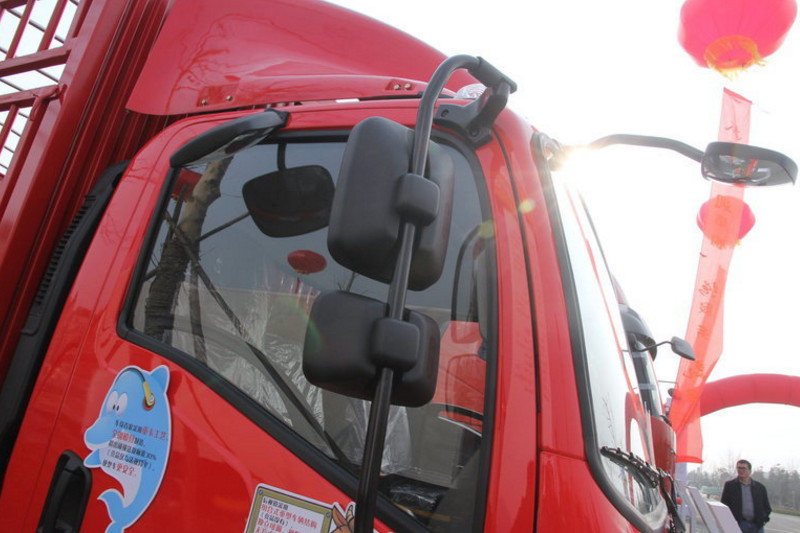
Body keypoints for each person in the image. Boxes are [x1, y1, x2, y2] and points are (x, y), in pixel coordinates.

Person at [720, 459, 772, 533]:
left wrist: (762, 520)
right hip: (737, 524)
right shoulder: (730, 486)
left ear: (750, 470)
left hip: (756, 526)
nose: (741, 470)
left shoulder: (760, 488)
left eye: (743, 468)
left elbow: (767, 507)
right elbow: (724, 506)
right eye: (739, 468)